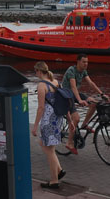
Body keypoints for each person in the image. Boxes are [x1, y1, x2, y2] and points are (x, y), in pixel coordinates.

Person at [32, 61, 65, 189]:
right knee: (44, 144)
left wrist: (35, 126)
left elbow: (41, 108)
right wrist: (69, 119)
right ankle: (59, 170)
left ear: (39, 71)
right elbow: (63, 101)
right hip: (57, 118)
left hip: (47, 121)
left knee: (50, 151)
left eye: (35, 71)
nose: (35, 73)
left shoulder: (42, 85)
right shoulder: (55, 82)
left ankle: (54, 181)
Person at [61, 53, 104, 153]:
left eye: (87, 62)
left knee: (94, 103)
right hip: (66, 95)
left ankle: (84, 124)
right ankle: (69, 142)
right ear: (78, 62)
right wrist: (79, 100)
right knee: (76, 118)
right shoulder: (71, 70)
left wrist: (102, 94)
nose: (86, 64)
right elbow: (73, 87)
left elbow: (91, 83)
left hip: (74, 93)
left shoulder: (83, 71)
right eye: (84, 62)